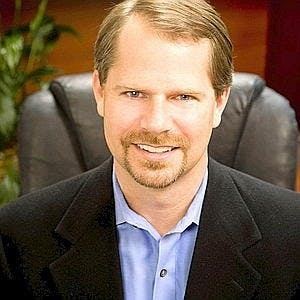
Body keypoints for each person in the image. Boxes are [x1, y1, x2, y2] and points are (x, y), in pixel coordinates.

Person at [0, 0, 299, 298]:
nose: (156, 124)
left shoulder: (293, 237)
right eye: (134, 93)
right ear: (100, 92)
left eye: (183, 97)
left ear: (219, 102)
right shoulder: (15, 238)